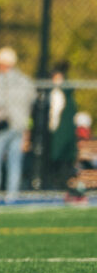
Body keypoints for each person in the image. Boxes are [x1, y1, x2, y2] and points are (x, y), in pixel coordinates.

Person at [0, 46, 35, 203]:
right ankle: (12, 195)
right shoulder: (25, 81)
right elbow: (31, 103)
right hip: (19, 126)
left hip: (0, 127)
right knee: (15, 162)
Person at [46, 61, 77, 192]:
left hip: (61, 135)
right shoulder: (59, 92)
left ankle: (59, 187)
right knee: (59, 163)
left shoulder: (60, 93)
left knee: (61, 163)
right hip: (61, 135)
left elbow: (56, 115)